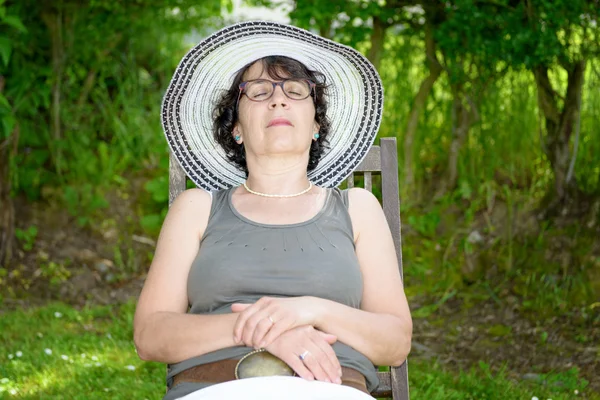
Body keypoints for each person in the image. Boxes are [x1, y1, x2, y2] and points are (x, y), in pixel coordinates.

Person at [133, 21, 412, 400]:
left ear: (316, 124)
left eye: (295, 91)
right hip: (215, 390)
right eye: (259, 92)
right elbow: (150, 335)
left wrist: (307, 311)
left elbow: (395, 342)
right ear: (237, 129)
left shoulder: (358, 208)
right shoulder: (197, 208)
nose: (278, 100)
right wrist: (264, 330)